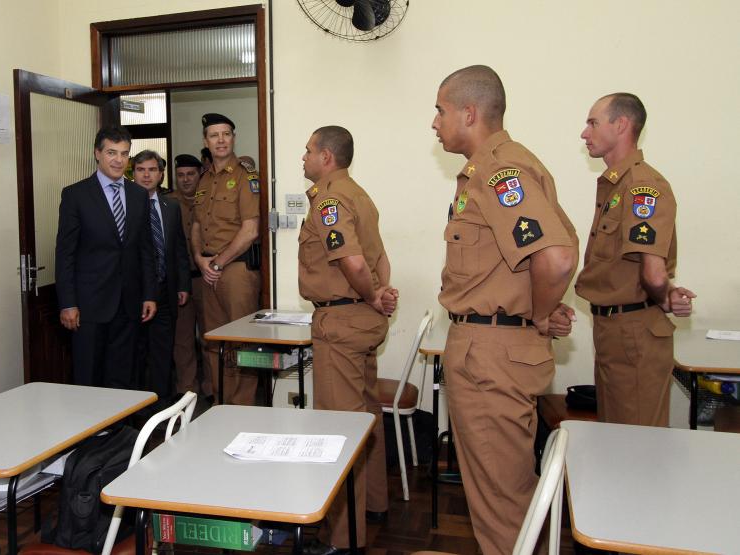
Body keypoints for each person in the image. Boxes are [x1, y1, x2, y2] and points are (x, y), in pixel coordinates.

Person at [432, 65, 578, 555]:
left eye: (441, 110)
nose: (434, 122)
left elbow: (556, 258)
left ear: (469, 113)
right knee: (505, 495)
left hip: (489, 355)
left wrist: (538, 314)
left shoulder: (500, 172)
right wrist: (540, 309)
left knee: (501, 505)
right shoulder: (498, 167)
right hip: (493, 349)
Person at [298, 125, 397, 555]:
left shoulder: (331, 200)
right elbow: (380, 257)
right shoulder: (359, 194)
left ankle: (342, 537)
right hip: (361, 320)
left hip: (340, 321)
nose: (303, 158)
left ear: (326, 157)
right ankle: (373, 504)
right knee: (365, 415)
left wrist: (372, 293)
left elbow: (354, 262)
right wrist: (379, 292)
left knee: (338, 429)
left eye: (307, 151)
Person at [567, 93, 695, 426]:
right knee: (616, 435)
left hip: (633, 333)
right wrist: (666, 293)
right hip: (614, 329)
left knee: (637, 442)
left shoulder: (643, 187)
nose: (584, 133)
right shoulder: (617, 185)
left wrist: (663, 295)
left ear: (621, 125)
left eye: (593, 123)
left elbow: (653, 274)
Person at [54, 125, 157, 389]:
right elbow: (65, 253)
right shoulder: (76, 195)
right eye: (112, 153)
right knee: (89, 376)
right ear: (97, 154)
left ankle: (120, 418)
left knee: (123, 376)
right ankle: (90, 419)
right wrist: (68, 302)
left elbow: (146, 249)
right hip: (89, 305)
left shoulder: (138, 194)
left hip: (129, 304)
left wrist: (149, 294)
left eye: (124, 153)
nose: (119, 160)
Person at [190, 113, 261, 405]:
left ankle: (242, 408)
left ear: (233, 138)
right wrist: (199, 258)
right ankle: (222, 405)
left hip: (236, 270)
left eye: (226, 134)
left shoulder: (246, 176)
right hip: (208, 271)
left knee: (242, 342)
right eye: (214, 135)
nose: (220, 140)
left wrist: (218, 263)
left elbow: (250, 230)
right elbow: (196, 225)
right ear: (205, 141)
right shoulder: (204, 179)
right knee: (214, 342)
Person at [131, 150, 191, 403]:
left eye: (152, 170)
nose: (146, 175)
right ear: (133, 174)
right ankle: (136, 407)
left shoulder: (171, 206)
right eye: (141, 170)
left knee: (163, 351)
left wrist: (183, 284)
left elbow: (179, 248)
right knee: (136, 353)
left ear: (161, 174)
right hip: (134, 293)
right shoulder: (125, 205)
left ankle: (162, 405)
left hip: (166, 290)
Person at [169, 154, 212, 398]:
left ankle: (212, 388)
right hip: (179, 282)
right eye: (181, 175)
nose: (185, 179)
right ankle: (187, 390)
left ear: (200, 175)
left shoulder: (209, 199)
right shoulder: (167, 202)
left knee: (209, 336)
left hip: (206, 278)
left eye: (191, 174)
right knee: (183, 339)